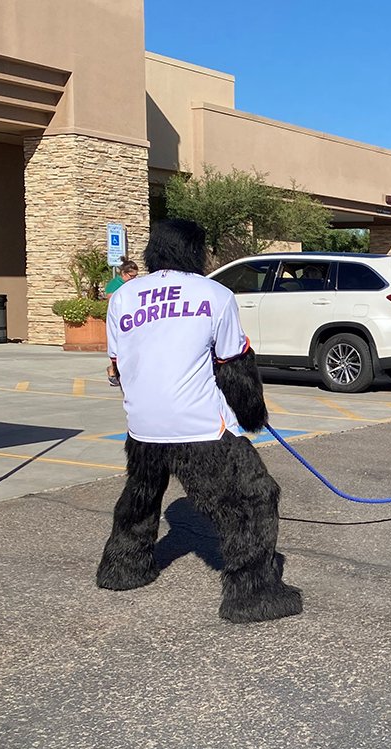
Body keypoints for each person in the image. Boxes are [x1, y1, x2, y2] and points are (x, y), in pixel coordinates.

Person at [95, 218, 302, 623]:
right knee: (256, 497)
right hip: (198, 426)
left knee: (141, 494)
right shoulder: (215, 294)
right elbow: (234, 367)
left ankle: (123, 568)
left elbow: (117, 367)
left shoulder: (124, 296)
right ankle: (254, 594)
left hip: (142, 426)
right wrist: (252, 416)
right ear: (195, 250)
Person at [105, 259, 139, 385]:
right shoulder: (115, 284)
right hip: (118, 319)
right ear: (124, 274)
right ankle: (112, 370)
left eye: (136, 276)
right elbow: (111, 299)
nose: (134, 279)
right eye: (131, 276)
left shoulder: (134, 285)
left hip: (130, 319)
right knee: (117, 347)